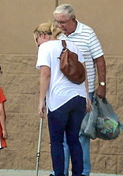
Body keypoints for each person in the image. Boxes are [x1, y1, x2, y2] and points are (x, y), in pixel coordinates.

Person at [50, 4, 106, 176]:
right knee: (63, 138)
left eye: (63, 22)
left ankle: (83, 172)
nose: (60, 26)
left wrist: (102, 85)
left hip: (83, 92)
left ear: (73, 18)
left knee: (81, 135)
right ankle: (61, 172)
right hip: (61, 94)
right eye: (57, 22)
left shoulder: (87, 33)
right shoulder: (56, 36)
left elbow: (100, 60)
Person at [34, 22, 92, 176]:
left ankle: (59, 173)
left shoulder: (45, 48)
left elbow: (45, 74)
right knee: (74, 139)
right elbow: (84, 72)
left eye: (36, 40)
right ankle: (78, 174)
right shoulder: (74, 45)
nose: (37, 44)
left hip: (59, 100)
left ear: (43, 35)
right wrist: (86, 96)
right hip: (78, 98)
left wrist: (41, 101)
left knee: (57, 141)